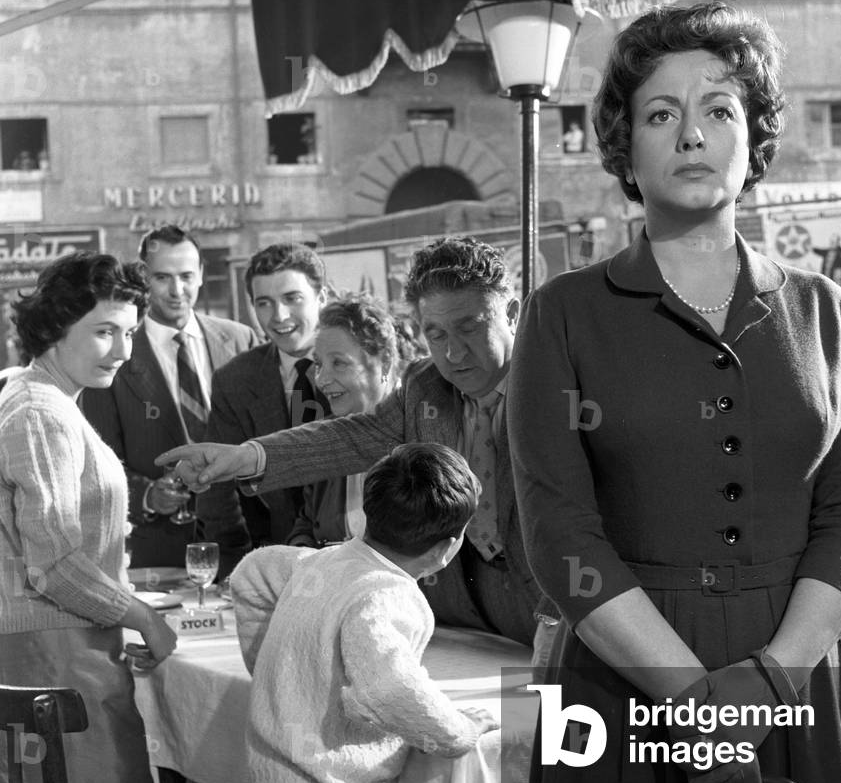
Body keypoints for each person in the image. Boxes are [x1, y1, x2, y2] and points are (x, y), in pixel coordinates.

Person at [507, 1, 841, 783]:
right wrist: (695, 705)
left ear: (752, 142)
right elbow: (559, 534)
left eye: (719, 109)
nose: (691, 135)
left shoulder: (826, 312)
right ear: (625, 149)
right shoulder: (562, 314)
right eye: (660, 113)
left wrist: (770, 680)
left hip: (794, 671)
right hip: (622, 676)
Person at [158, 237, 558, 655]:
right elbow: (349, 436)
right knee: (461, 722)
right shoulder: (425, 387)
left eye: (469, 328)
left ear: (511, 315)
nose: (453, 351)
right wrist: (245, 456)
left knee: (543, 721)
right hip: (457, 623)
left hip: (551, 620)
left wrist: (563, 616)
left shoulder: (560, 384)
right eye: (435, 334)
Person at [234, 442, 497, 783]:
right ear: (448, 547)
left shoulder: (321, 561)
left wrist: (277, 670)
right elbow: (388, 689)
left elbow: (251, 574)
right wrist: (457, 732)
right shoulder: (388, 592)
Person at [0, 252, 178, 783]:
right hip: (54, 655)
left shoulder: (27, 394)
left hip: (58, 649)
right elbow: (54, 565)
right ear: (53, 328)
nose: (123, 352)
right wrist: (142, 616)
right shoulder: (39, 413)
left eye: (129, 333)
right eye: (104, 332)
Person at [81, 226, 259, 568]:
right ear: (144, 278)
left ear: (203, 275)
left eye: (186, 276)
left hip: (246, 545)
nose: (177, 291)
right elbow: (99, 462)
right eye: (163, 277)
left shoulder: (241, 341)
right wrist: (147, 495)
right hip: (161, 553)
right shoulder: (113, 356)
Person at [197, 243, 331, 575]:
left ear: (322, 298)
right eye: (264, 303)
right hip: (280, 563)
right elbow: (219, 490)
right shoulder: (236, 379)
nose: (279, 316)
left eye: (292, 299)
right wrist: (240, 568)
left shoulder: (361, 364)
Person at [287, 295, 401, 547]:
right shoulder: (323, 436)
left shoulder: (423, 429)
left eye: (338, 363)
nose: (321, 380)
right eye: (319, 364)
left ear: (384, 363)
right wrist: (302, 552)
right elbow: (306, 523)